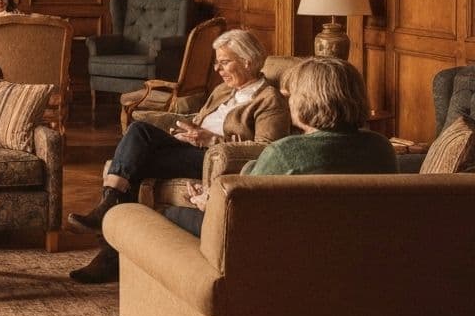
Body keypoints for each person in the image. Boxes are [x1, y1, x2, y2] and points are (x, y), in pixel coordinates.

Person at [67, 28, 291, 283]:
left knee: (135, 162)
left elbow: (267, 149)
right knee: (139, 132)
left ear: (247, 61)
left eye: (224, 62)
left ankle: (109, 234)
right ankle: (110, 225)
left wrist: (213, 140)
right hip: (192, 148)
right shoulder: (223, 91)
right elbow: (197, 119)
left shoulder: (268, 100)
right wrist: (186, 130)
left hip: (214, 160)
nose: (218, 68)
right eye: (216, 62)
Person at [162, 57, 397, 236]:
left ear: (308, 101)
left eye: (292, 94)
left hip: (279, 251)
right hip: (356, 253)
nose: (288, 100)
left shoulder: (286, 152)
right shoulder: (381, 148)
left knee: (167, 216)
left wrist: (209, 205)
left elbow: (242, 217)